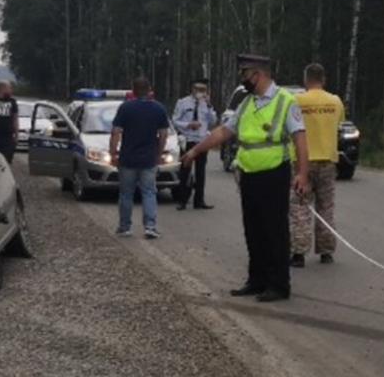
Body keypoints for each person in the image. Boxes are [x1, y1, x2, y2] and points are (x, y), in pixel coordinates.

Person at [182, 54, 309, 303]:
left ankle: (278, 284)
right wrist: (197, 150)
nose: (243, 79)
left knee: (275, 230)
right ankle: (257, 279)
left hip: (274, 173)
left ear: (257, 74)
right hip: (248, 174)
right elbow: (224, 131)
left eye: (245, 74)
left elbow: (300, 138)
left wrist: (303, 174)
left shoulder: (286, 101)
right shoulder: (247, 103)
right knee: (253, 229)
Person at [289, 63, 344, 267]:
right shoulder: (335, 101)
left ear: (306, 79)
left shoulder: (296, 101)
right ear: (324, 79)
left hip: (302, 161)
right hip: (327, 161)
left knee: (300, 206)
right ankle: (326, 251)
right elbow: (338, 124)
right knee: (326, 207)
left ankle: (298, 253)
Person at [110, 77, 169, 239]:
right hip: (149, 159)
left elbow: (116, 132)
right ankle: (150, 226)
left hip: (127, 158)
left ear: (133, 91)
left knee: (126, 193)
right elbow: (164, 134)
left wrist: (113, 153)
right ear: (149, 89)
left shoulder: (125, 108)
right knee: (149, 192)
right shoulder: (159, 109)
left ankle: (125, 227)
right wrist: (159, 153)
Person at [172, 78, 218, 210]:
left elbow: (213, 121)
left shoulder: (206, 104)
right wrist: (188, 125)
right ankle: (182, 200)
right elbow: (175, 121)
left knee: (201, 172)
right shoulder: (183, 102)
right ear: (192, 89)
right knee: (185, 171)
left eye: (203, 90)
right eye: (198, 89)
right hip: (188, 140)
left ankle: (199, 200)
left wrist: (209, 106)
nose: (200, 92)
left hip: (202, 141)